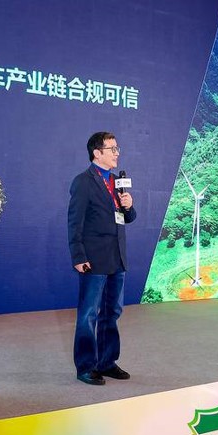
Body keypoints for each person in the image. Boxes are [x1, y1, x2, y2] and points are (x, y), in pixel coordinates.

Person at [67, 131, 136, 385]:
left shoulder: (117, 181)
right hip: (93, 259)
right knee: (89, 314)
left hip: (117, 257)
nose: (117, 153)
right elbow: (74, 222)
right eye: (112, 149)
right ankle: (86, 366)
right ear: (97, 153)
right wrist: (78, 255)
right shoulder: (83, 182)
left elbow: (128, 218)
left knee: (112, 312)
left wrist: (128, 206)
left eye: (117, 148)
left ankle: (107, 362)